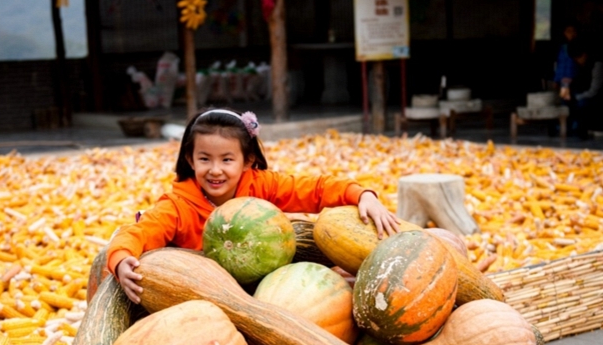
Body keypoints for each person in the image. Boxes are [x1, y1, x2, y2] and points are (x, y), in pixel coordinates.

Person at [107, 108, 400, 303]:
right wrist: (121, 259)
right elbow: (139, 232)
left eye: (227, 159)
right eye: (205, 159)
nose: (215, 170)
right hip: (207, 298)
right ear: (189, 159)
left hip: (269, 289)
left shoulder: (261, 185)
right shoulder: (178, 206)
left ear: (247, 161)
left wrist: (362, 195)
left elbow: (314, 188)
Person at [561, 38, 603, 139]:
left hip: (599, 99)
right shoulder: (580, 66)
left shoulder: (598, 65)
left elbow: (593, 91)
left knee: (582, 103)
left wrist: (576, 97)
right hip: (584, 94)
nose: (578, 61)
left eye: (579, 57)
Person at [553, 24, 579, 100]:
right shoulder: (562, 48)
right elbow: (559, 65)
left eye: (574, 31)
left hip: (577, 80)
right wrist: (556, 79)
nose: (572, 34)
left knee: (579, 101)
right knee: (565, 101)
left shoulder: (580, 46)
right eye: (569, 31)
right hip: (564, 81)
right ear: (564, 33)